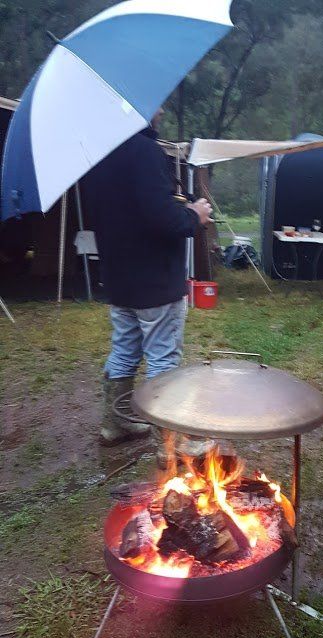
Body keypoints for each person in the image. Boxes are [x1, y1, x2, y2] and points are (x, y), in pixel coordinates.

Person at [85, 108, 213, 448]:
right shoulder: (145, 152)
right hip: (154, 279)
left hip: (118, 277)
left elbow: (124, 212)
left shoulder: (99, 155)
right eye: (155, 105)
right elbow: (163, 220)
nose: (161, 111)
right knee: (163, 356)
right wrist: (193, 214)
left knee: (125, 349)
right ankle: (171, 443)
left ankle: (117, 423)